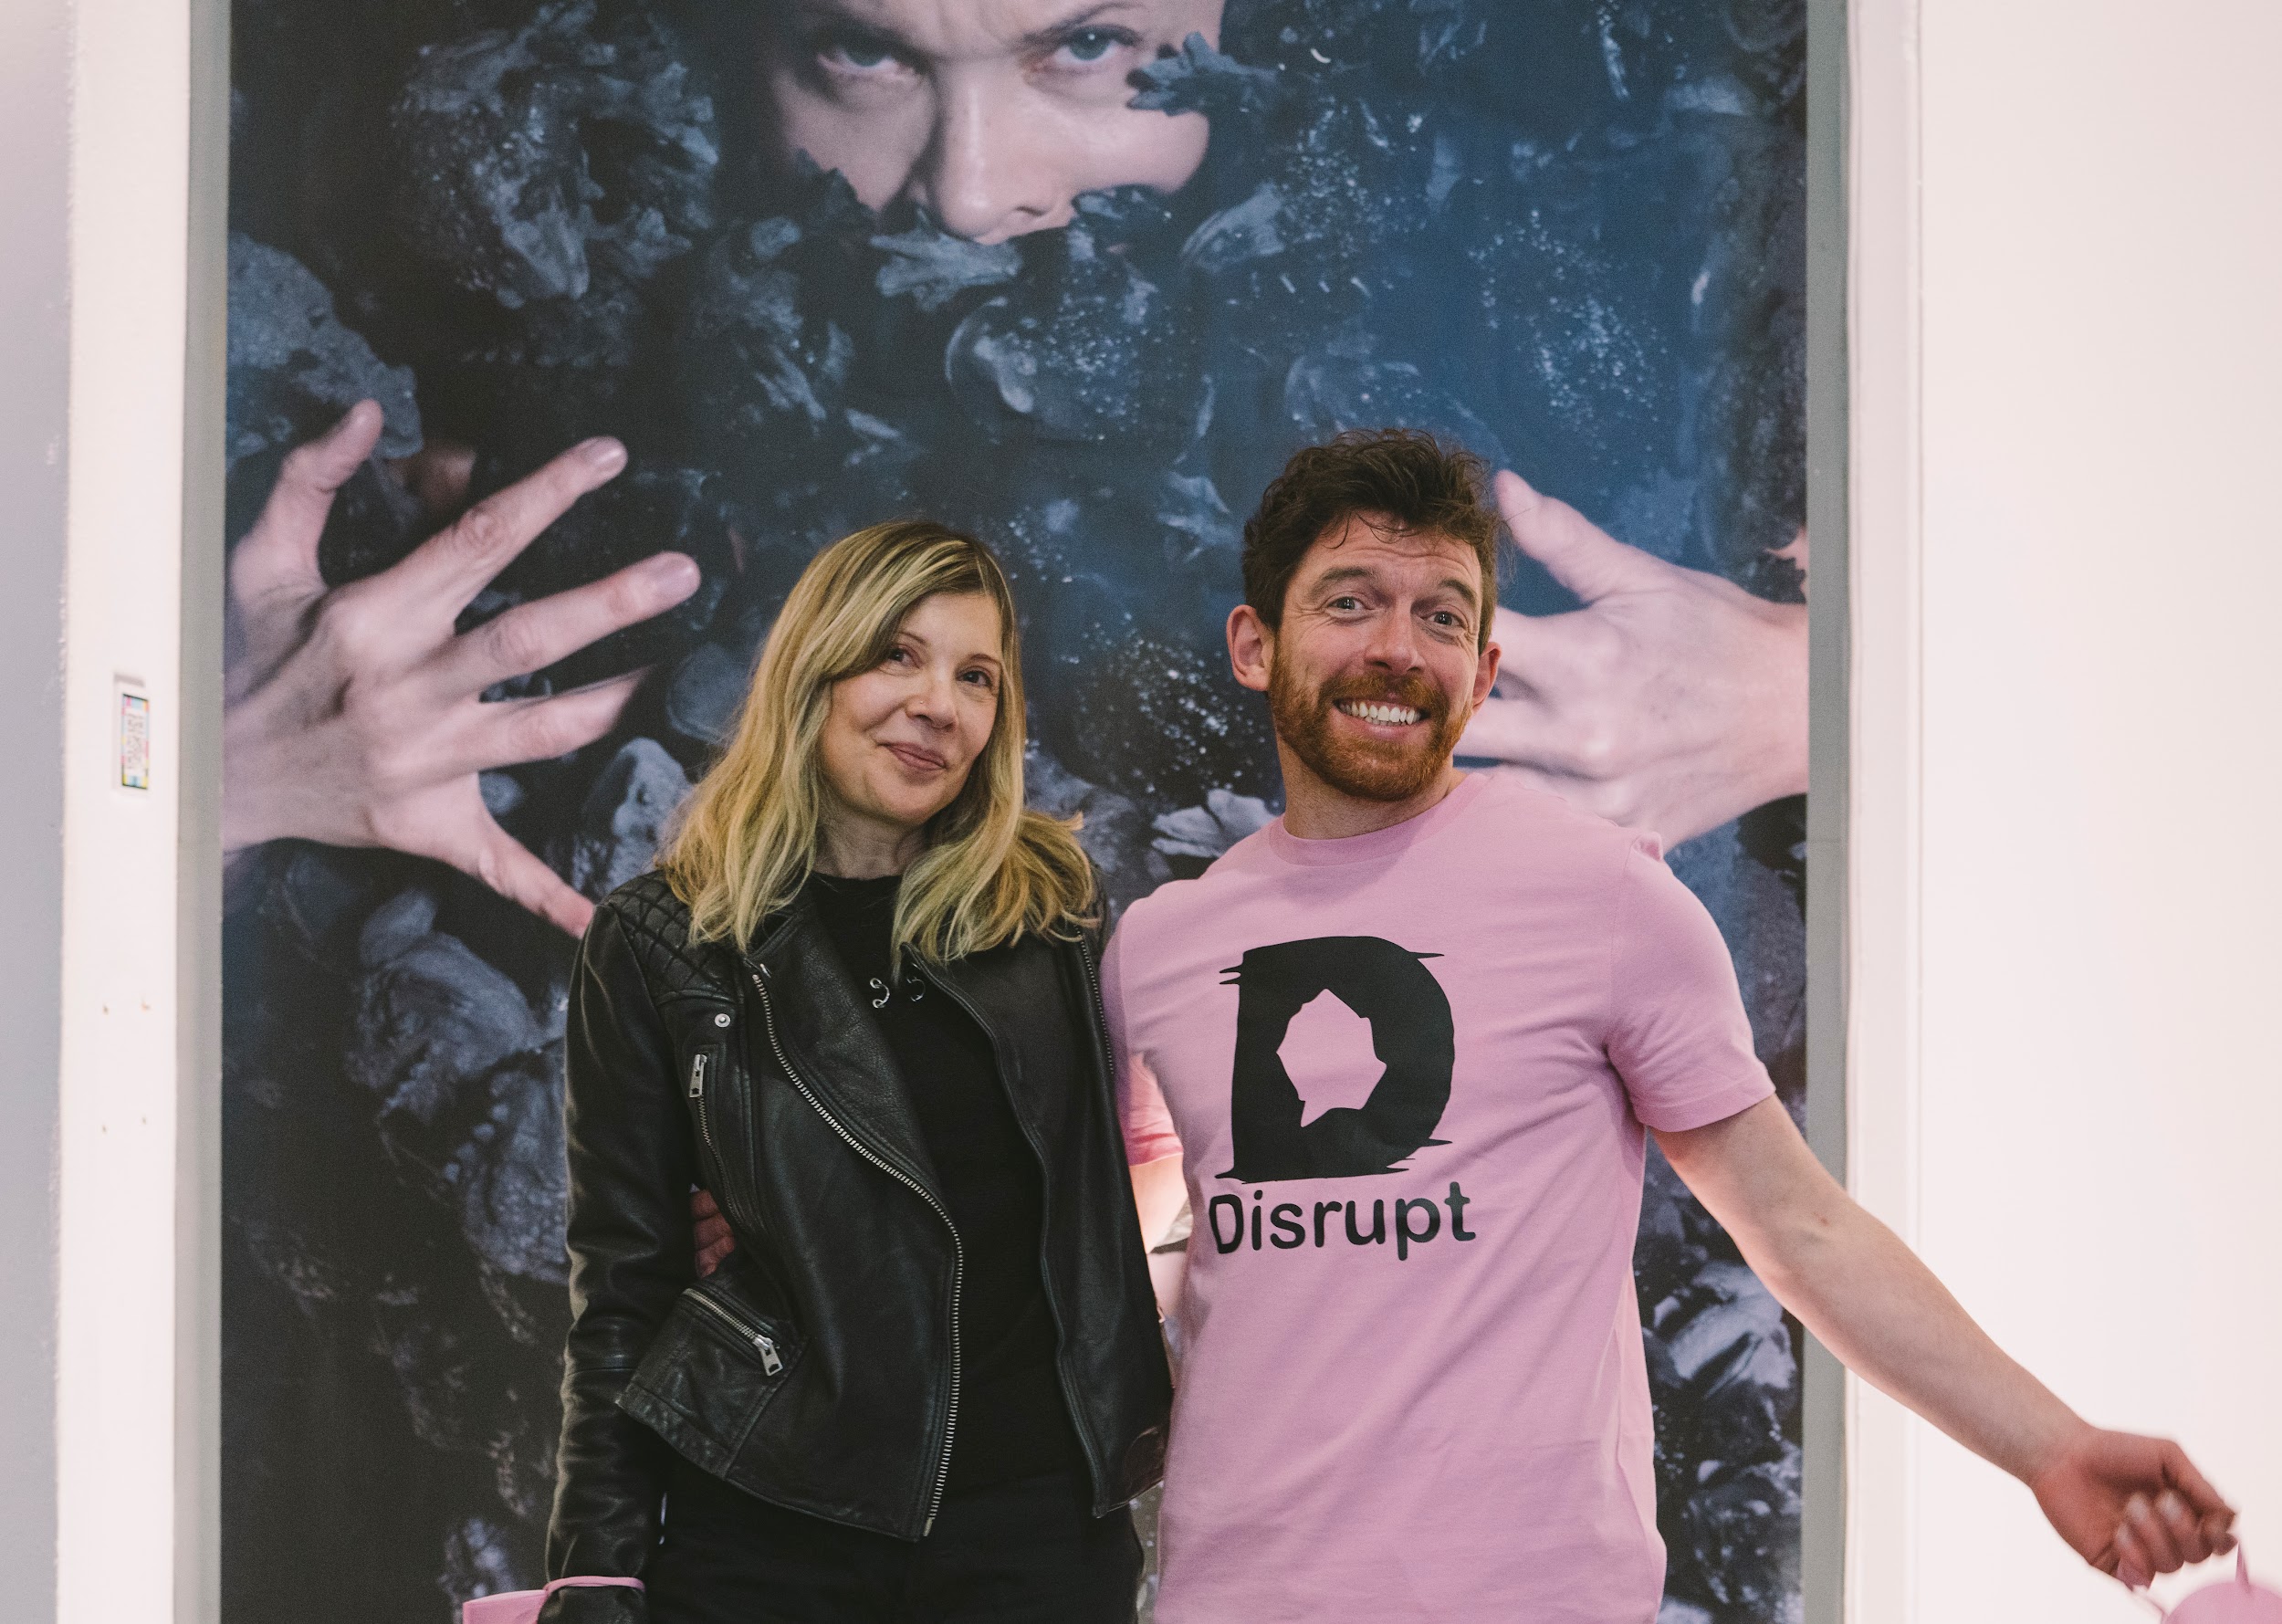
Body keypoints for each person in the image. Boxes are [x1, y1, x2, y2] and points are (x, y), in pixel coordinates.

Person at [1094, 429, 2228, 1619]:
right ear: (1254, 642)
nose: (1396, 645)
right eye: (1351, 600)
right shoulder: (1161, 949)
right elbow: (1142, 1247)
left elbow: (1801, 1227)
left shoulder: (1610, 898)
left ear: (1483, 669)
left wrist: (2049, 1445)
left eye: (1440, 613)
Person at [543, 520, 1171, 1622]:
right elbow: (622, 1281)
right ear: (813, 670)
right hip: (774, 1529)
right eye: (898, 654)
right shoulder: (658, 942)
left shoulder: (1052, 912)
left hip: (1034, 1536)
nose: (940, 703)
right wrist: (595, 1563)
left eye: (977, 676)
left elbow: (1113, 1171)